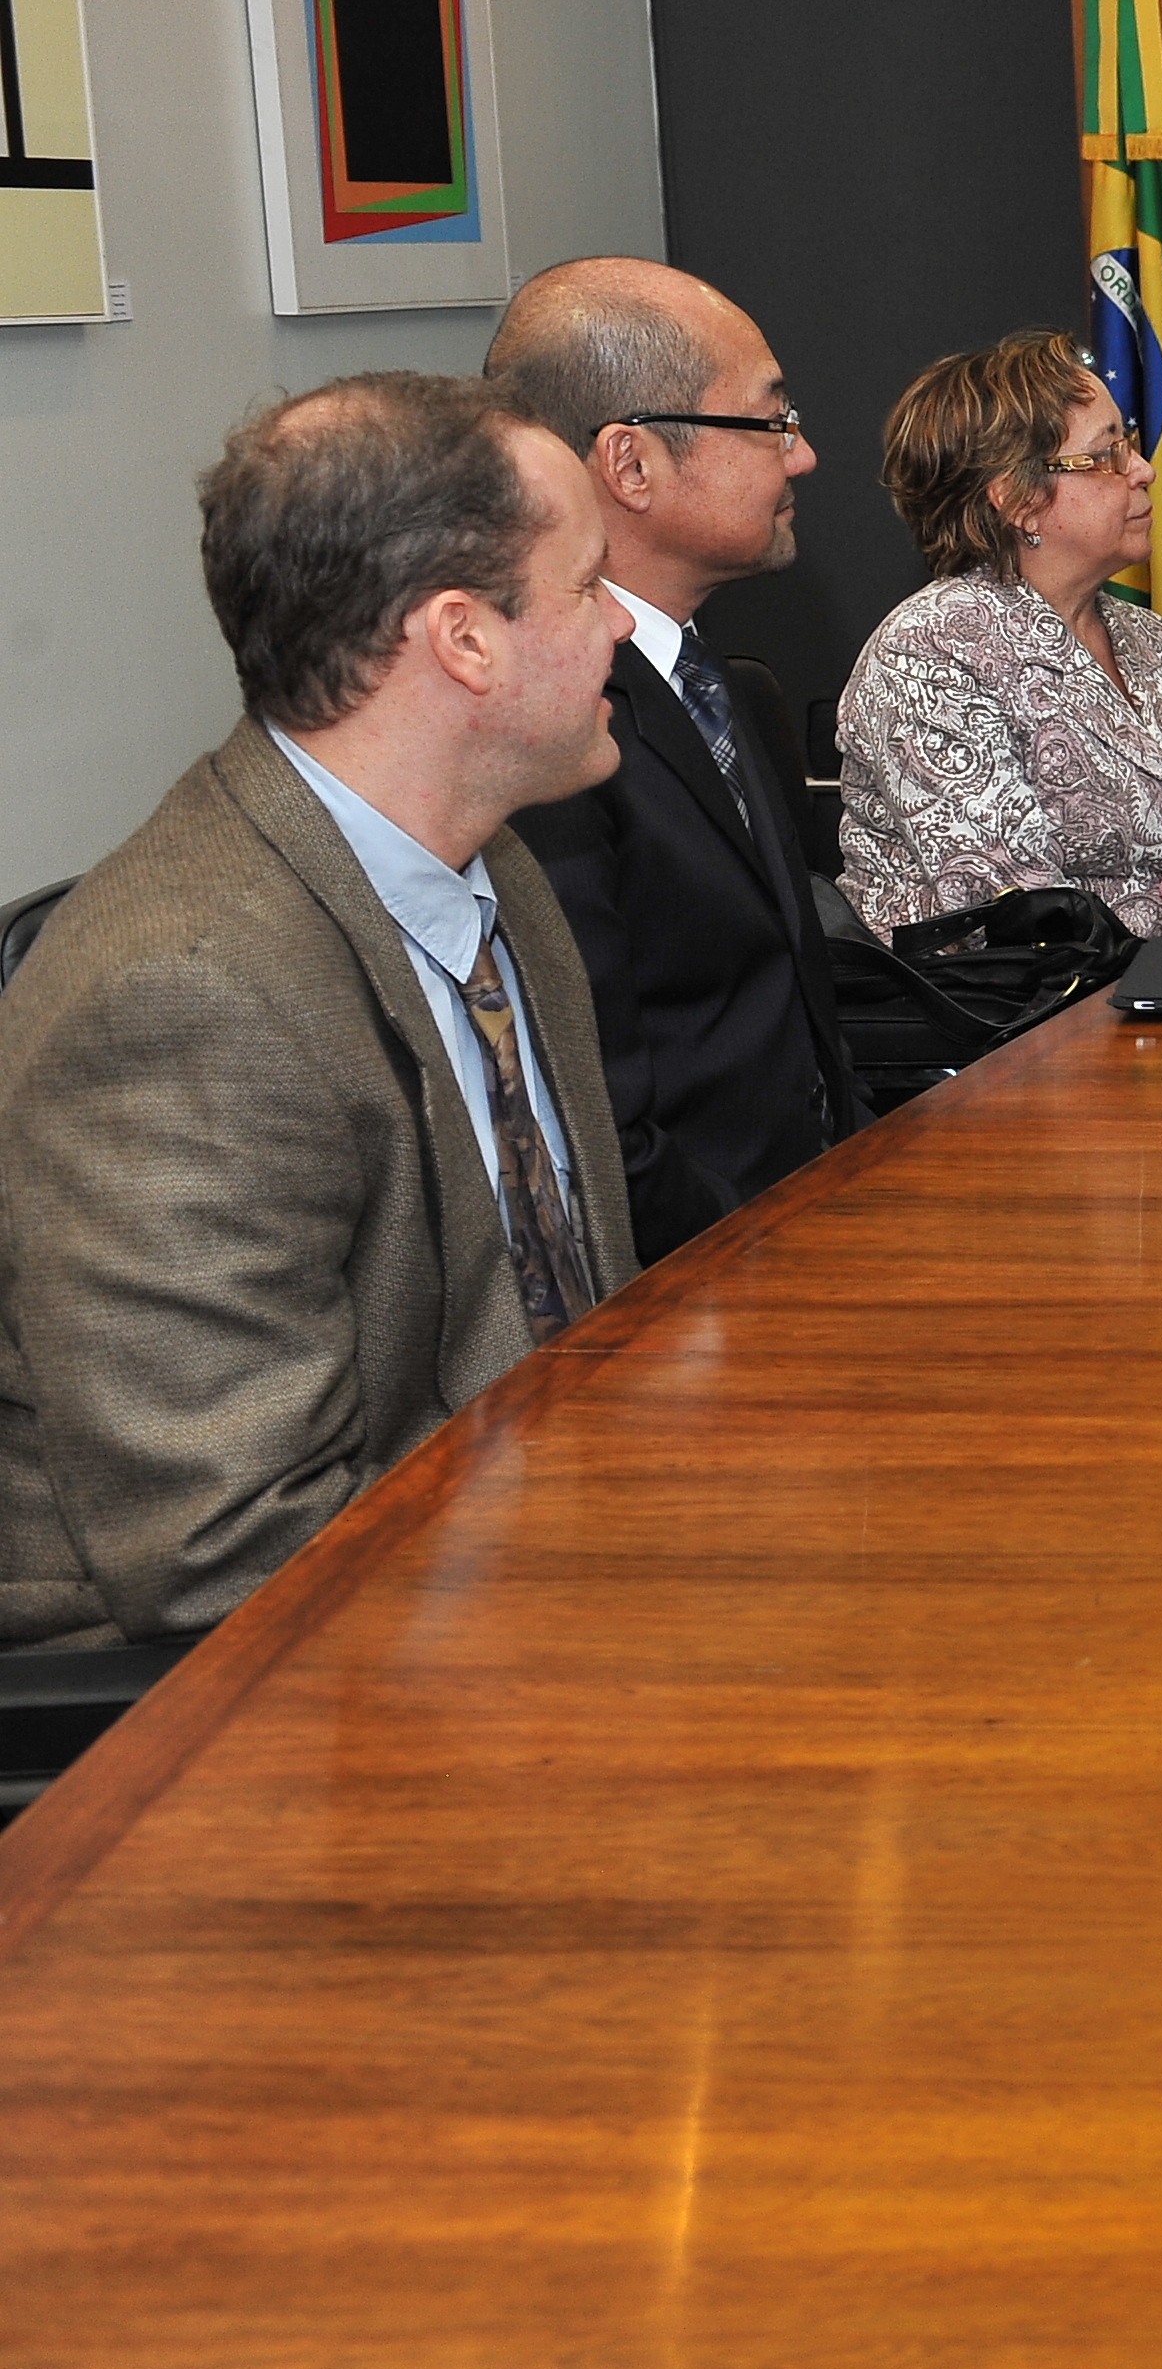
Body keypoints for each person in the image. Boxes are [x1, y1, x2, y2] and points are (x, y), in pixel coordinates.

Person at [0, 371, 639, 1652]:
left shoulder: (493, 864)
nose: (621, 621)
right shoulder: (183, 998)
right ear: (464, 639)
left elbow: (570, 1319)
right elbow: (232, 1559)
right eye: (587, 584)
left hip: (521, 1553)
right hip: (248, 1690)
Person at [491, 259, 869, 1265]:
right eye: (772, 422)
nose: (803, 457)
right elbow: (600, 1129)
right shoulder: (550, 730)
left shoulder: (710, 676)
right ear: (630, 465)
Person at [836, 329, 1162, 938]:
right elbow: (1016, 913)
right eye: (1108, 455)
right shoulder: (929, 651)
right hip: (1007, 994)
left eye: (1130, 444)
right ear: (1018, 500)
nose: (1144, 470)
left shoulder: (1158, 644)